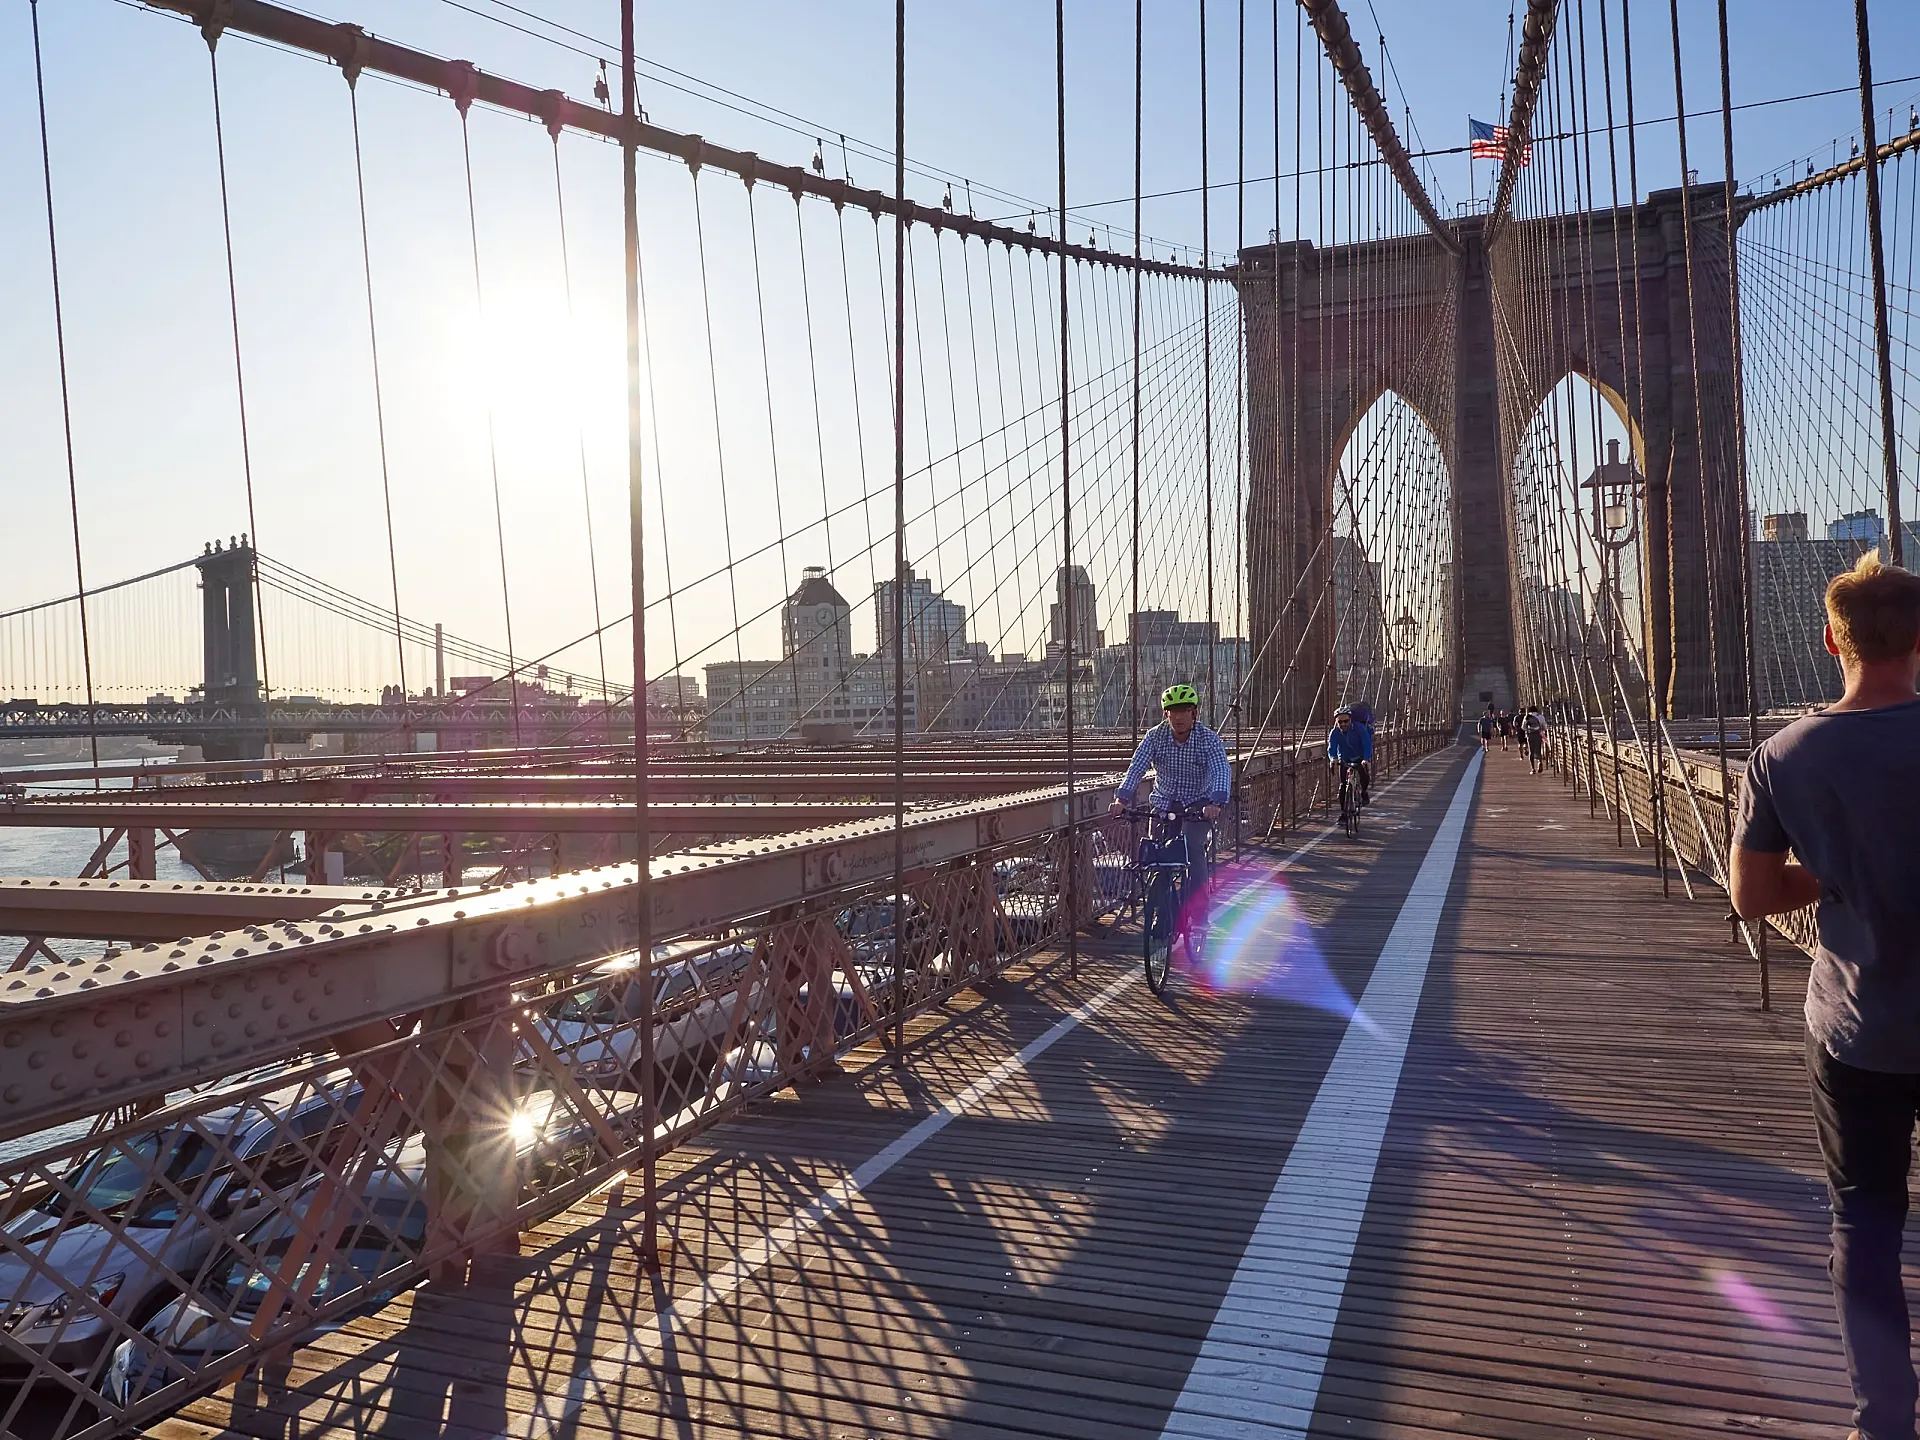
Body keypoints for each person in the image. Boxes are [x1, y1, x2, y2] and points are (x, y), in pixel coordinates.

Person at [1730, 553, 1920, 1440]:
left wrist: (1835, 874)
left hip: (1854, 1029)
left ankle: (1882, 1421)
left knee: (1866, 1227)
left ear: (1831, 640)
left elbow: (1752, 898)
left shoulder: (1784, 756)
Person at [1111, 683, 1230, 915]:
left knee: (1192, 847)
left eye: (1184, 711)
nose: (1178, 717)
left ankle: (1199, 911)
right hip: (1164, 803)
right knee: (1156, 854)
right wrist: (1121, 799)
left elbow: (1221, 769)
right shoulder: (1155, 736)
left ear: (1194, 713)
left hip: (1197, 803)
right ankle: (1159, 909)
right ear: (1166, 714)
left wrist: (1216, 802)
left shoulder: (1208, 739)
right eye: (1173, 711)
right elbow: (1136, 768)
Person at [1327, 704, 1373, 807]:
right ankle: (1343, 812)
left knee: (1364, 777)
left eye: (1346, 721)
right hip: (1344, 758)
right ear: (1336, 722)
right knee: (1343, 785)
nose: (1343, 724)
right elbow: (1332, 747)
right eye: (1340, 722)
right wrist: (1333, 759)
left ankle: (1364, 792)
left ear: (1350, 720)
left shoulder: (1359, 728)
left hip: (1359, 757)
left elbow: (1367, 744)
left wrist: (1366, 759)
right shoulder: (1334, 732)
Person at [1521, 705, 1548, 775]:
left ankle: (1533, 769)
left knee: (1531, 751)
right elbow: (1545, 727)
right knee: (1538, 749)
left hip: (1530, 735)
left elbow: (1523, 727)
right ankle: (1539, 761)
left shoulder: (1527, 716)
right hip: (1538, 735)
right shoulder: (1541, 716)